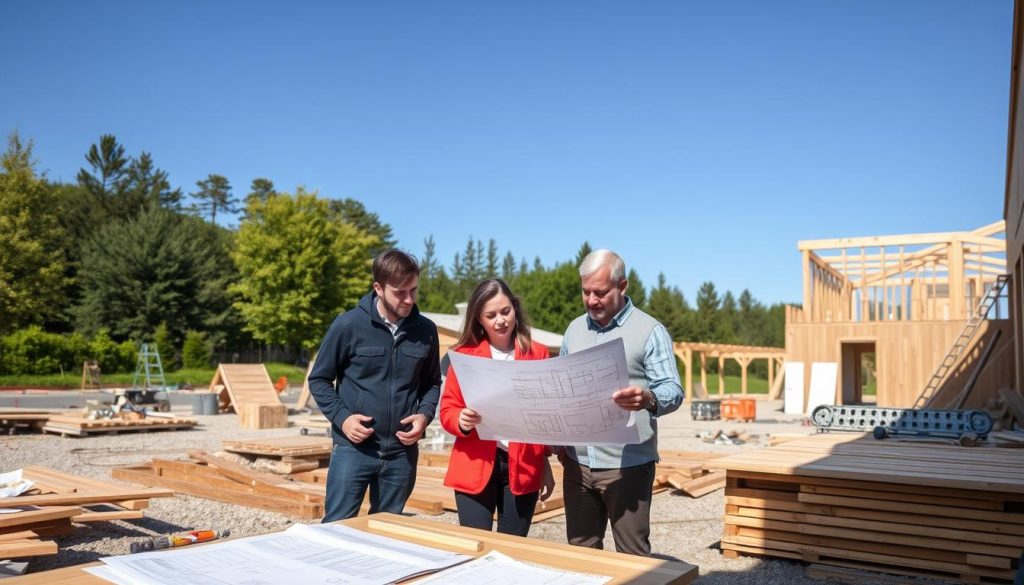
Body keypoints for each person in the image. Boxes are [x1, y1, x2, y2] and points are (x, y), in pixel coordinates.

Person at [558, 249, 683, 556]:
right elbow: (560, 382)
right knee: (581, 552)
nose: (591, 300)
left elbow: (674, 390)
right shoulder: (574, 329)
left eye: (600, 292)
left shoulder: (650, 331)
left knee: (632, 555)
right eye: (585, 292)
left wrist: (648, 398)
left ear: (623, 286)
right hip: (577, 464)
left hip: (627, 467)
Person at [308, 249, 441, 522]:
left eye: (413, 290)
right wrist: (343, 419)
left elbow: (432, 383)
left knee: (386, 533)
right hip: (353, 449)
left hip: (402, 454)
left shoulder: (426, 330)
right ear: (378, 288)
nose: (409, 299)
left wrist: (425, 415)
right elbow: (319, 379)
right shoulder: (348, 325)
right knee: (337, 528)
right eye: (400, 292)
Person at [439, 278, 555, 536]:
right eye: (490, 315)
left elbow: (545, 416)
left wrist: (545, 466)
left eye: (505, 311)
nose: (500, 320)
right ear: (479, 319)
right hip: (475, 463)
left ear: (515, 309)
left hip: (523, 466)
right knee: (475, 547)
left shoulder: (538, 353)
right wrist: (461, 419)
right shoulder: (464, 355)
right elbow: (448, 410)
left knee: (511, 551)